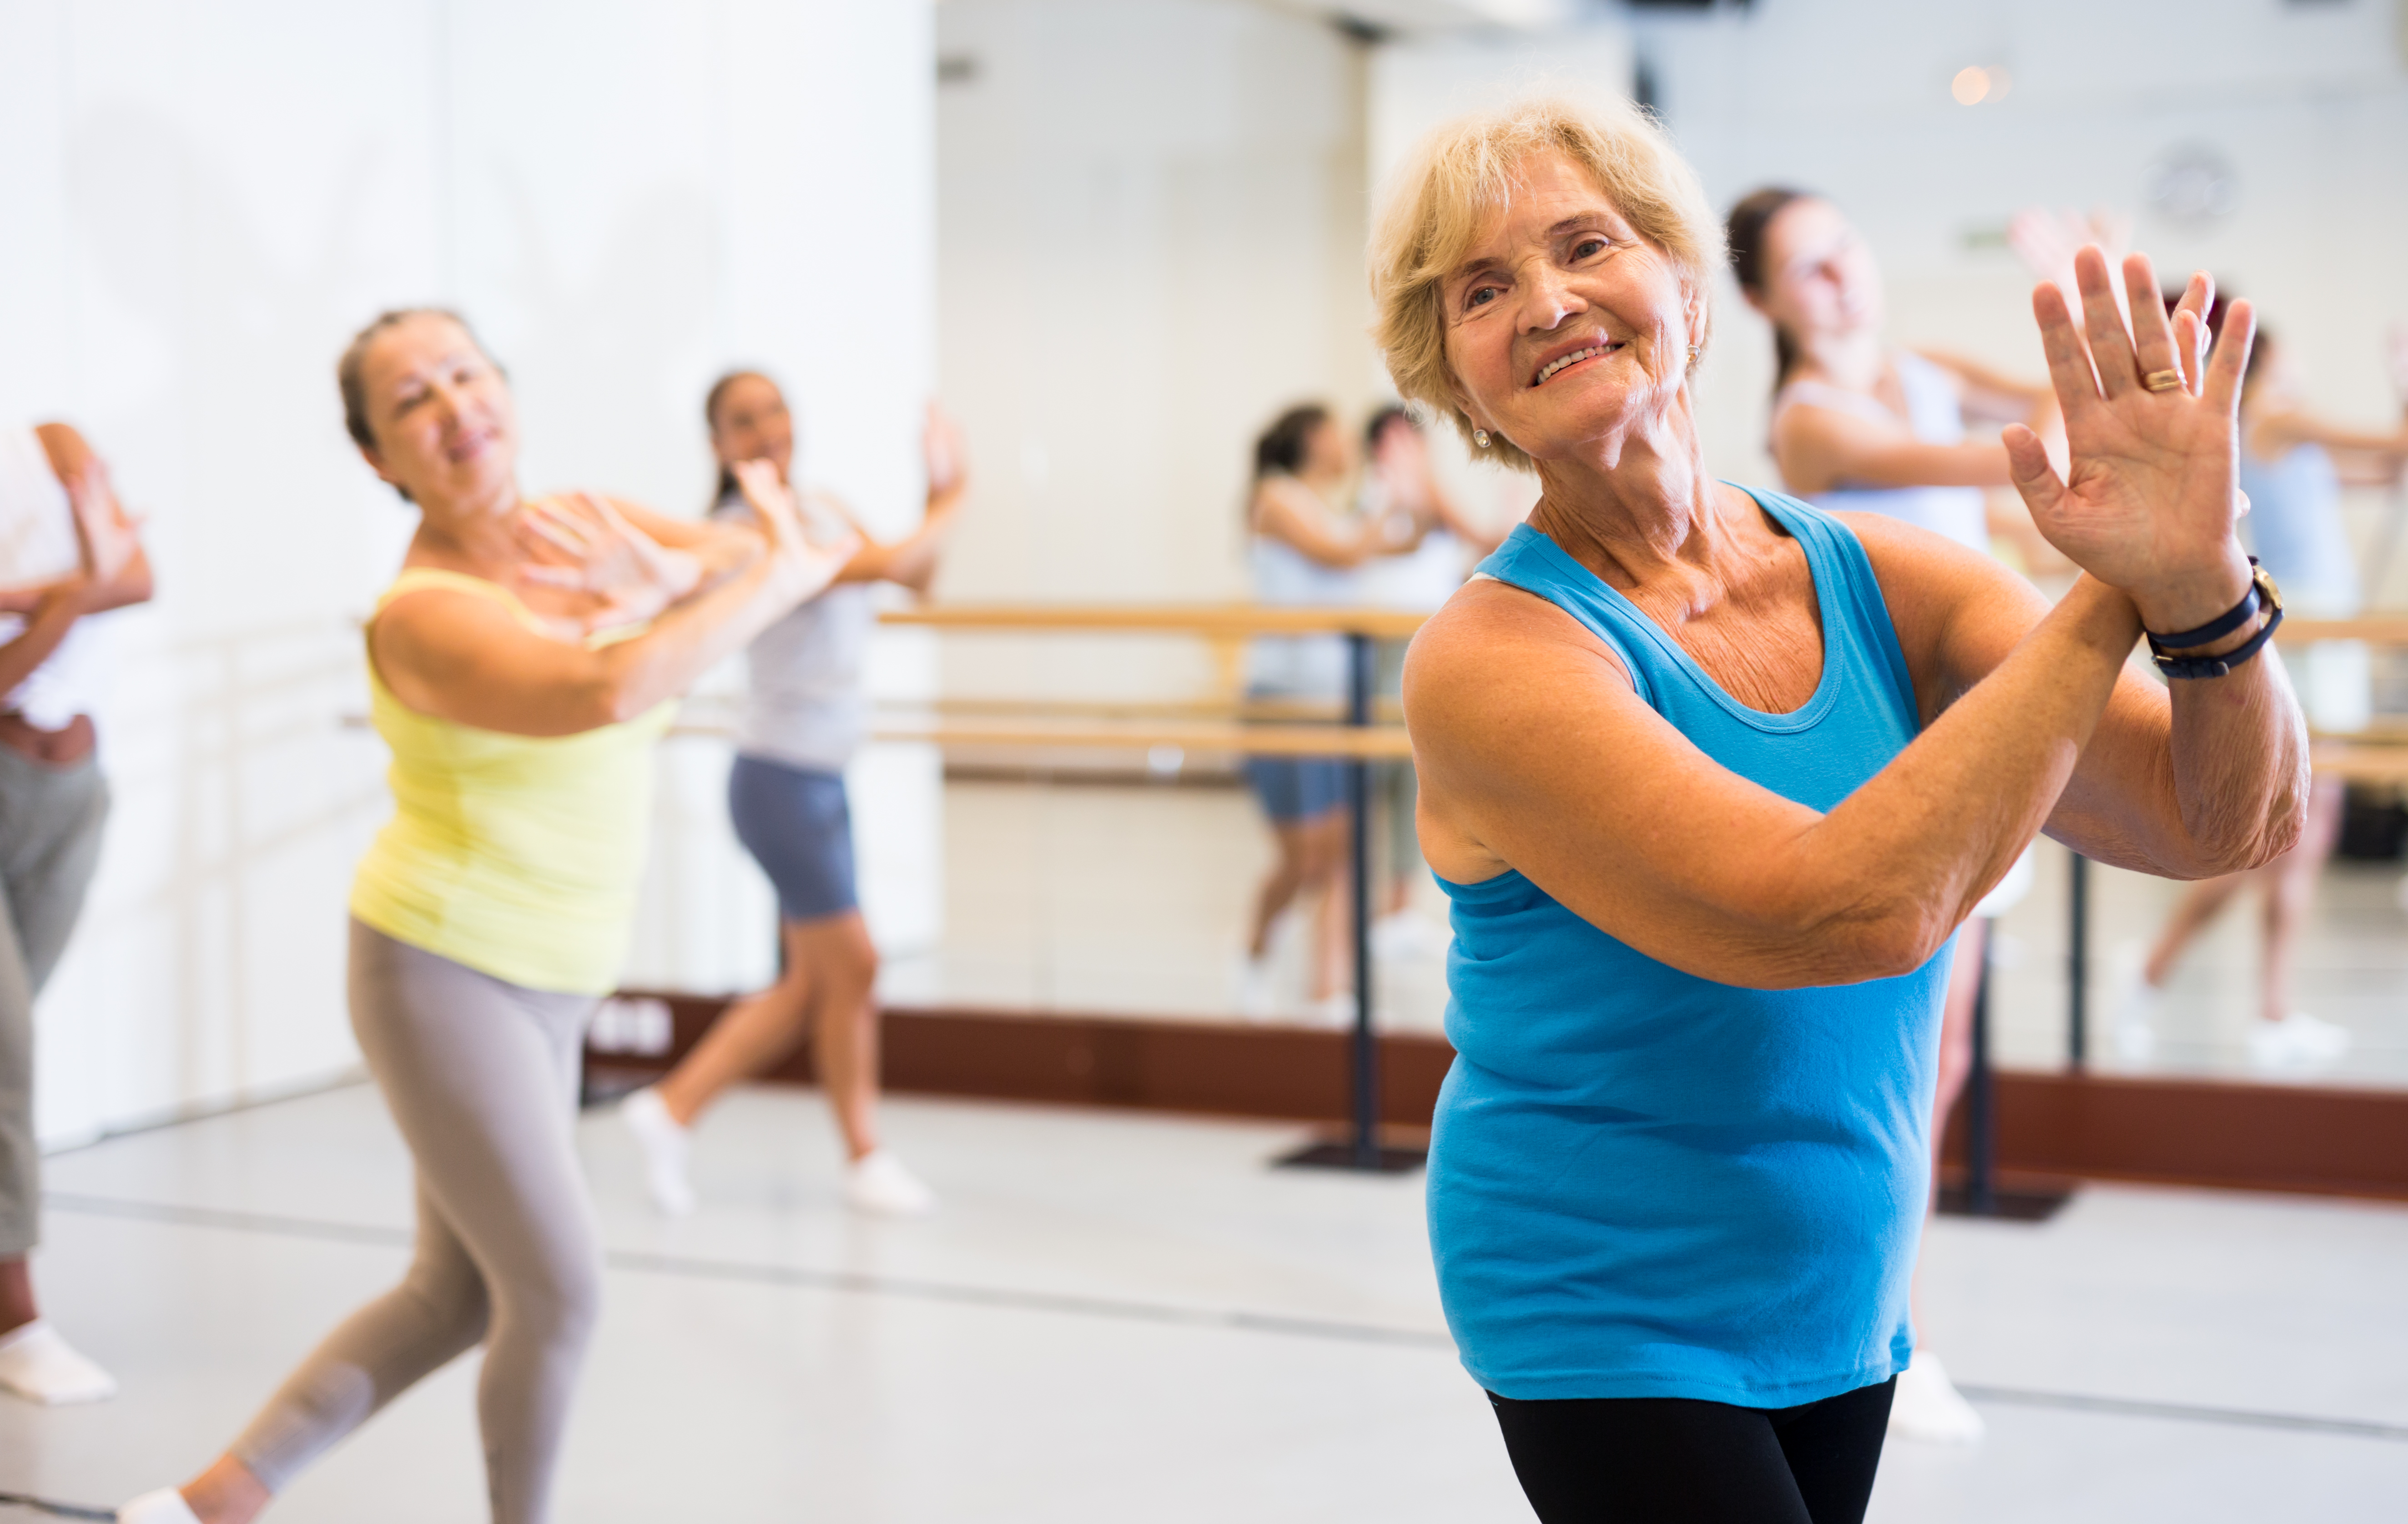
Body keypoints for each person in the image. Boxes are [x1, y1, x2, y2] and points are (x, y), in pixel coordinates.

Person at [1380, 97, 2302, 1524]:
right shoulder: (1491, 658)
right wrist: (2113, 585)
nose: (1547, 301)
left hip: (1837, 1287)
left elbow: (2220, 817)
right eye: (1482, 290)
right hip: (1604, 1296)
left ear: (1687, 287)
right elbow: (1838, 911)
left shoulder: (1882, 579)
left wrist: (2201, 582)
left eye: (1584, 245)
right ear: (1458, 383)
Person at [118, 310, 851, 1524]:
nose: (454, 406)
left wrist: (673, 575)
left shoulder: (582, 524)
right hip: (445, 970)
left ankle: (205, 1506)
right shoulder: (423, 613)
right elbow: (608, 684)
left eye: (465, 373)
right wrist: (745, 578)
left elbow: (802, 543)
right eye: (413, 398)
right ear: (378, 457)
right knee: (559, 1291)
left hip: (555, 974)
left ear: (505, 388)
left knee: (453, 1293)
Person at [1724, 184, 2069, 1444]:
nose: (1842, 278)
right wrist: (2068, 329)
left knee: (1944, 1056)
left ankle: (1878, 1317)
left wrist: (2073, 313)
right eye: (1807, 268)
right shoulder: (1810, 419)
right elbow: (2023, 455)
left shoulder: (1917, 367)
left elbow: (2032, 442)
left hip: (1981, 742)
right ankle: (1886, 1332)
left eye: (1846, 249)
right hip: (1893, 765)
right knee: (1897, 1063)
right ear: (1760, 298)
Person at [617, 371, 967, 1218]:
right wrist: (959, 494)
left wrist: (934, 493)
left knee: (824, 980)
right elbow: (894, 560)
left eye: (774, 410)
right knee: (854, 965)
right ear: (718, 445)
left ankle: (831, 1148)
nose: (767, 428)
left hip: (819, 777)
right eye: (744, 420)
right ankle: (683, 1110)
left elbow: (917, 576)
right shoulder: (744, 531)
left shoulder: (822, 507)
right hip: (779, 782)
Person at [2131, 308, 2408, 1071]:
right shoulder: (2274, 417)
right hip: (2311, 635)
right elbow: (2397, 447)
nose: (2298, 367)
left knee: (2298, 835)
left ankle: (2247, 1003)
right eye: (2287, 356)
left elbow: (2386, 469)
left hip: (2328, 636)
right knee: (2288, 833)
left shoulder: (2286, 436)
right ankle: (2186, 983)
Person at [0, 422, 151, 1406]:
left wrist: (35, 596)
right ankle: (17, 1325)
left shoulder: (51, 443)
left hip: (71, 797)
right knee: (4, 1062)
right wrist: (72, 592)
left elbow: (135, 578)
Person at [1236, 404, 1418, 1022]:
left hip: (1338, 702)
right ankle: (1254, 952)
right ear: (1311, 439)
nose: (1346, 444)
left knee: (1340, 854)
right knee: (1302, 859)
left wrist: (1408, 488)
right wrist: (1383, 502)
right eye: (1336, 432)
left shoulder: (1332, 511)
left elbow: (1400, 542)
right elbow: (1340, 554)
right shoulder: (1274, 496)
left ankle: (1328, 990)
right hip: (1282, 701)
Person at [1355, 405, 1502, 960]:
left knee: (1413, 782)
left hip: (1424, 640)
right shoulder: (1382, 492)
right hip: (1388, 646)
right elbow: (1460, 537)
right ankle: (1371, 910)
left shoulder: (1418, 494)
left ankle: (1394, 909)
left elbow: (1466, 546)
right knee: (1382, 780)